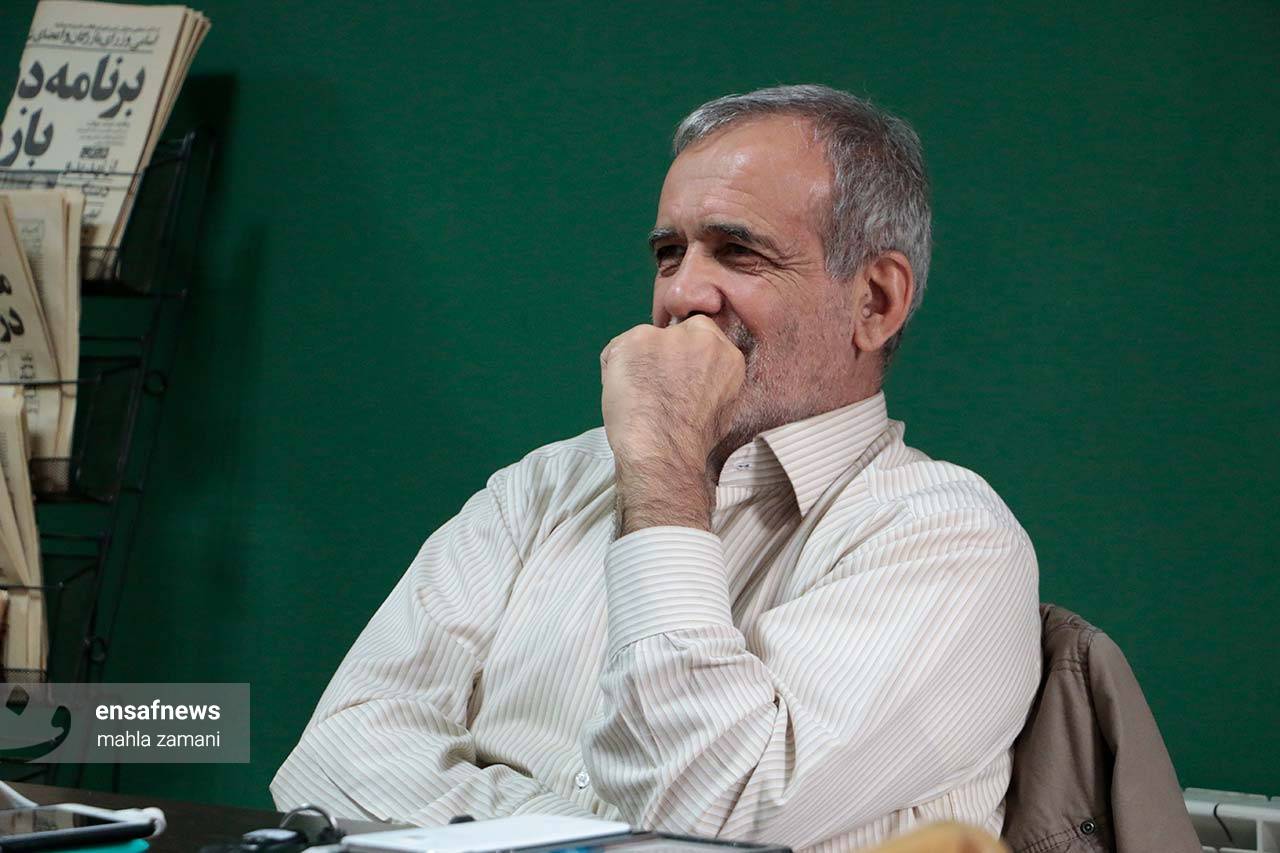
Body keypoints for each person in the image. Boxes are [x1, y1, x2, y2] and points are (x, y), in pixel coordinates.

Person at [271, 84, 1041, 852]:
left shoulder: (948, 537)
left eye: (738, 252)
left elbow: (701, 809)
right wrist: (590, 837)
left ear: (875, 302)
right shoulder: (542, 486)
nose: (680, 294)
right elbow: (330, 762)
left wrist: (665, 468)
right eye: (670, 252)